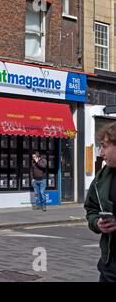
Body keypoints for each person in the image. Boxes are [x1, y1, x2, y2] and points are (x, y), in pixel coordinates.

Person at [85, 121, 116, 282]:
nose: (101, 152)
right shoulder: (101, 178)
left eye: (104, 146)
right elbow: (91, 209)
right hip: (109, 267)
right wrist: (97, 223)